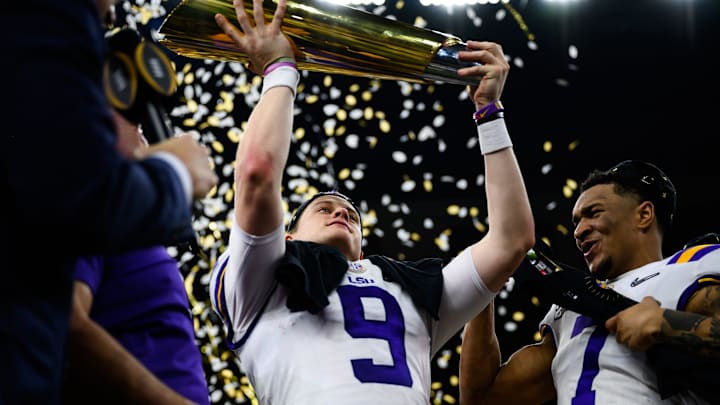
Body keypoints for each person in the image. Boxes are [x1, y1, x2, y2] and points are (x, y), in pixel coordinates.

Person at [207, 0, 534, 403]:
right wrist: (280, 70)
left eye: (351, 214)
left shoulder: (412, 289)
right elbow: (257, 174)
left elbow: (512, 238)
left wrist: (489, 113)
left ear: (363, 248)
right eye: (323, 209)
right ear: (287, 238)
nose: (342, 211)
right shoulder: (259, 282)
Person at [1, 0, 217, 403]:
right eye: (126, 115)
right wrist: (175, 175)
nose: (114, 13)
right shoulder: (83, 211)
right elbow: (68, 324)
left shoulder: (119, 220)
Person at [459, 160, 720, 404]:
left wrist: (667, 324)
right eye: (576, 221)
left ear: (644, 214)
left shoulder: (693, 264)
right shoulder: (570, 307)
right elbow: (483, 397)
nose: (579, 230)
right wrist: (483, 285)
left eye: (593, 213)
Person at [61, 109, 210, 405]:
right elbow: (64, 320)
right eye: (136, 125)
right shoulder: (89, 206)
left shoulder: (123, 224)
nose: (146, 138)